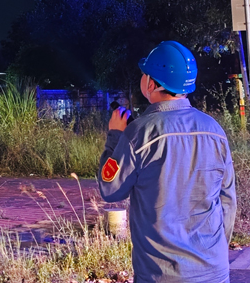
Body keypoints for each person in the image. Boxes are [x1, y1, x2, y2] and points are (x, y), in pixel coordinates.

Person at [98, 41, 237, 283]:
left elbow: (111, 190)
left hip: (162, 274)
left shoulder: (138, 134)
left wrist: (116, 136)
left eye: (144, 74)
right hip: (214, 271)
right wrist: (215, 254)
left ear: (151, 83)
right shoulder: (214, 130)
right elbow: (227, 200)